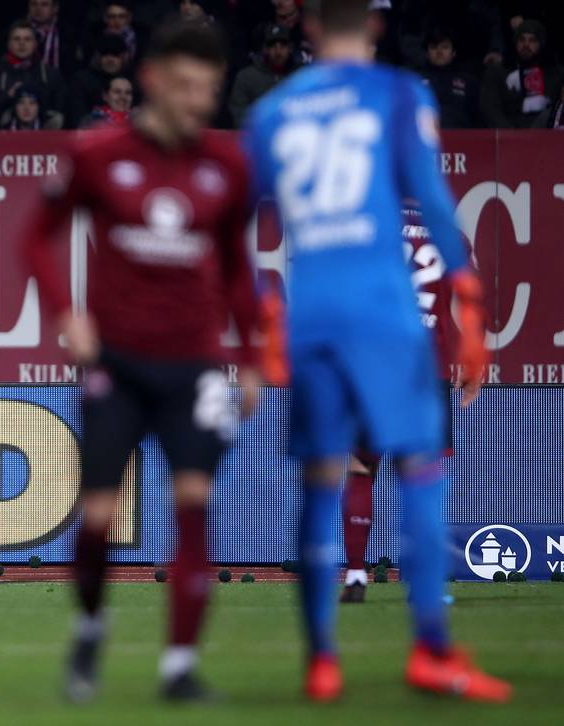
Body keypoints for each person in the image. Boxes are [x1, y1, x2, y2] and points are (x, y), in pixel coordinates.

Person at [242, 0, 510, 703]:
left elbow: (230, 223)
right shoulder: (398, 94)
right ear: (377, 27)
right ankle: (431, 651)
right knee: (420, 467)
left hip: (315, 316)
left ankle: (321, 661)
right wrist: (471, 306)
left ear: (307, 30)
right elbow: (434, 202)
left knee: (322, 479)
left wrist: (262, 311)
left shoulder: (274, 112)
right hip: (387, 314)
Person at [26, 20, 265, 703]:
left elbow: (237, 268)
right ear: (153, 80)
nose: (198, 102)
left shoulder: (228, 165)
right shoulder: (99, 155)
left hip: (194, 365)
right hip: (118, 364)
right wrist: (66, 314)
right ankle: (91, 626)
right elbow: (36, 238)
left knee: (193, 503)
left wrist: (251, 355)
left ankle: (179, 666)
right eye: (186, 86)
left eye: (209, 89)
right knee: (97, 514)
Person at [340, 205, 465, 604]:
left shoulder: (368, 222)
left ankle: (356, 573)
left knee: (361, 467)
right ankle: (426, 585)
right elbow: (464, 299)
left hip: (376, 362)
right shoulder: (445, 229)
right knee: (423, 478)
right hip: (428, 365)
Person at [0, 20, 65, 128]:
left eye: (27, 39)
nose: (22, 43)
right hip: (4, 135)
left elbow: (60, 112)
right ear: (9, 44)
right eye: (16, 39)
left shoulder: (50, 76)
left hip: (43, 135)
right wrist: (7, 97)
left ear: (35, 44)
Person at [480, 18, 561, 129]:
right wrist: (511, 134)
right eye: (521, 40)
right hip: (507, 134)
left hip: (544, 134)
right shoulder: (497, 72)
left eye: (532, 40)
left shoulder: (555, 74)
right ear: (515, 43)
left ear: (541, 44)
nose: (526, 45)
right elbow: (490, 108)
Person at [229, 23, 296, 127]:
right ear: (265, 49)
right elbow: (239, 115)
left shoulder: (301, 77)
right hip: (258, 134)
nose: (278, 51)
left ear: (290, 48)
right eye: (272, 45)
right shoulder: (246, 77)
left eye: (283, 45)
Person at [420, 27, 481, 129]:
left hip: (461, 136)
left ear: (454, 52)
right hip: (427, 136)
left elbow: (476, 119)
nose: (439, 51)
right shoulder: (415, 82)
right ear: (427, 53)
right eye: (434, 47)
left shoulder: (469, 81)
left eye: (445, 47)